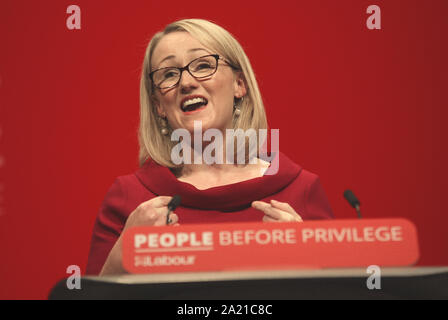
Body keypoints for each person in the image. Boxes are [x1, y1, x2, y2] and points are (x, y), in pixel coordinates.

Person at [86, 19, 334, 275]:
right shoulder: (130, 199)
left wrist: (308, 259)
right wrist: (124, 257)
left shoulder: (301, 191)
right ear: (159, 105)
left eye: (203, 65)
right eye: (169, 74)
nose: (186, 83)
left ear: (240, 84)